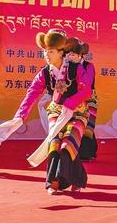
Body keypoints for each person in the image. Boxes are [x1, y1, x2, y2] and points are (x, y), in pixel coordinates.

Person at [15, 30, 94, 194]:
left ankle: (72, 180)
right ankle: (53, 182)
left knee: (68, 143)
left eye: (51, 51)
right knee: (55, 143)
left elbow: (86, 90)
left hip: (77, 112)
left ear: (61, 52)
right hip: (56, 112)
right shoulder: (45, 73)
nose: (46, 55)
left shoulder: (76, 69)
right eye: (45, 51)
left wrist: (70, 104)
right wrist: (21, 115)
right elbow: (32, 93)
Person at [74, 42, 99, 161]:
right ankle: (84, 151)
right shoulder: (69, 66)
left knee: (88, 125)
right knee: (77, 124)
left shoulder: (88, 66)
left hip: (88, 98)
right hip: (75, 99)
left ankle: (87, 152)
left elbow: (88, 84)